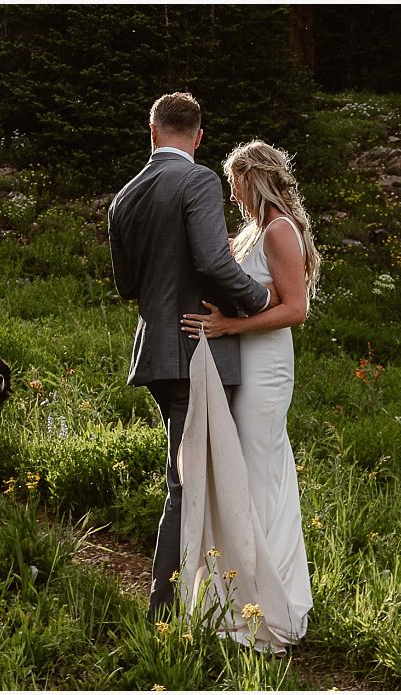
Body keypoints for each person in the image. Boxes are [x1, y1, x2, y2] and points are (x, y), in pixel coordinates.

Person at [107, 92, 276, 622]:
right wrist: (258, 301)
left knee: (189, 475)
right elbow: (211, 261)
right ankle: (166, 611)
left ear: (152, 130)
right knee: (189, 482)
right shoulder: (198, 180)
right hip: (196, 348)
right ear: (198, 136)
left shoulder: (124, 197)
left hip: (155, 350)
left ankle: (202, 600)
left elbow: (126, 285)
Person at [179, 140, 318, 650]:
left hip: (268, 365)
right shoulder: (253, 231)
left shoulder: (280, 230)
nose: (231, 192)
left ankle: (269, 601)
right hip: (248, 360)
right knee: (254, 472)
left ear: (252, 178)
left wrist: (230, 327)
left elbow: (295, 309)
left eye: (235, 181)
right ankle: (249, 591)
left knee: (259, 474)